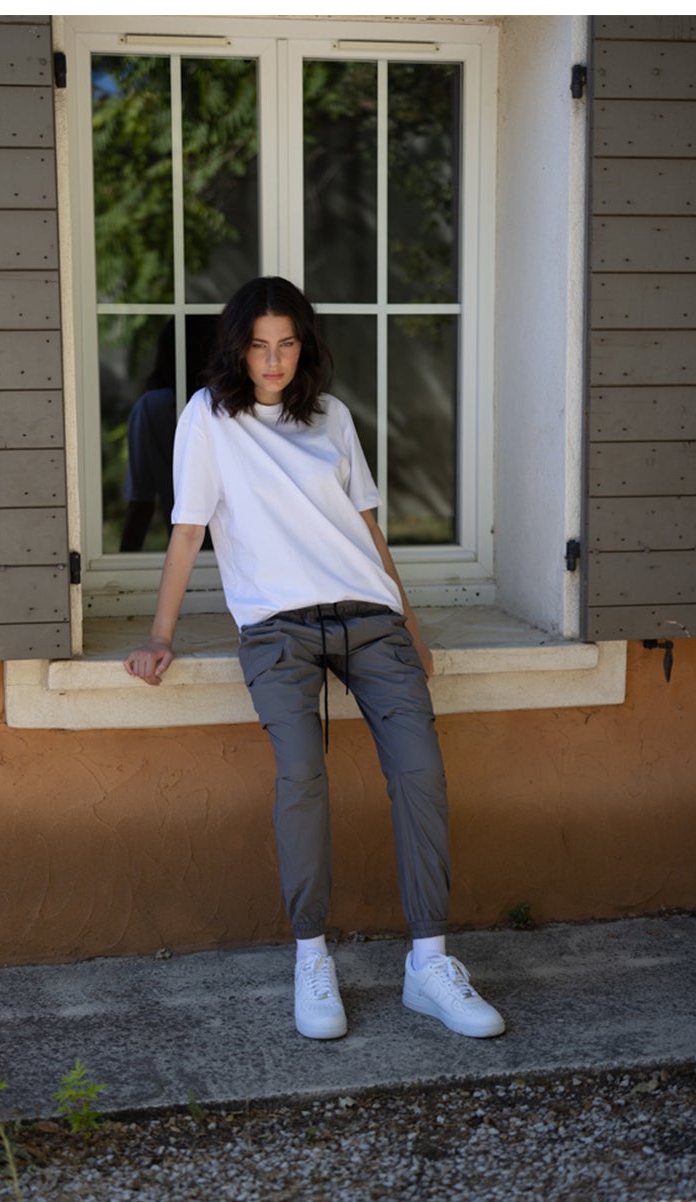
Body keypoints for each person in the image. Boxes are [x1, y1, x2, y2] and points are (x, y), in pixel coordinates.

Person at [122, 274, 505, 1043]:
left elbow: (366, 527)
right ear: (237, 349)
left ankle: (428, 964)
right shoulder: (208, 418)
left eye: (287, 344)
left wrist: (411, 623)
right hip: (275, 628)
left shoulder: (330, 417)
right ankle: (311, 955)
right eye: (259, 346)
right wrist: (159, 636)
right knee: (302, 774)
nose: (273, 361)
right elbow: (188, 530)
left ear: (305, 346)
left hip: (368, 615)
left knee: (421, 769)